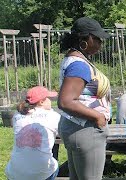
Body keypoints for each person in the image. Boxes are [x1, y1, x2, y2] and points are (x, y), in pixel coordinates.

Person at [58, 17, 111, 180]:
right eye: (97, 38)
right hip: (86, 130)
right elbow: (66, 101)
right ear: (84, 40)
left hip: (76, 128)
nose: (100, 43)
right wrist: (98, 116)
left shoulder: (73, 60)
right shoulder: (79, 65)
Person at [5, 86, 61, 180]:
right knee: (52, 165)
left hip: (14, 172)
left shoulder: (17, 115)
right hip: (41, 173)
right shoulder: (53, 116)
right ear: (41, 102)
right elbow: (63, 133)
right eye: (48, 98)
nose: (50, 101)